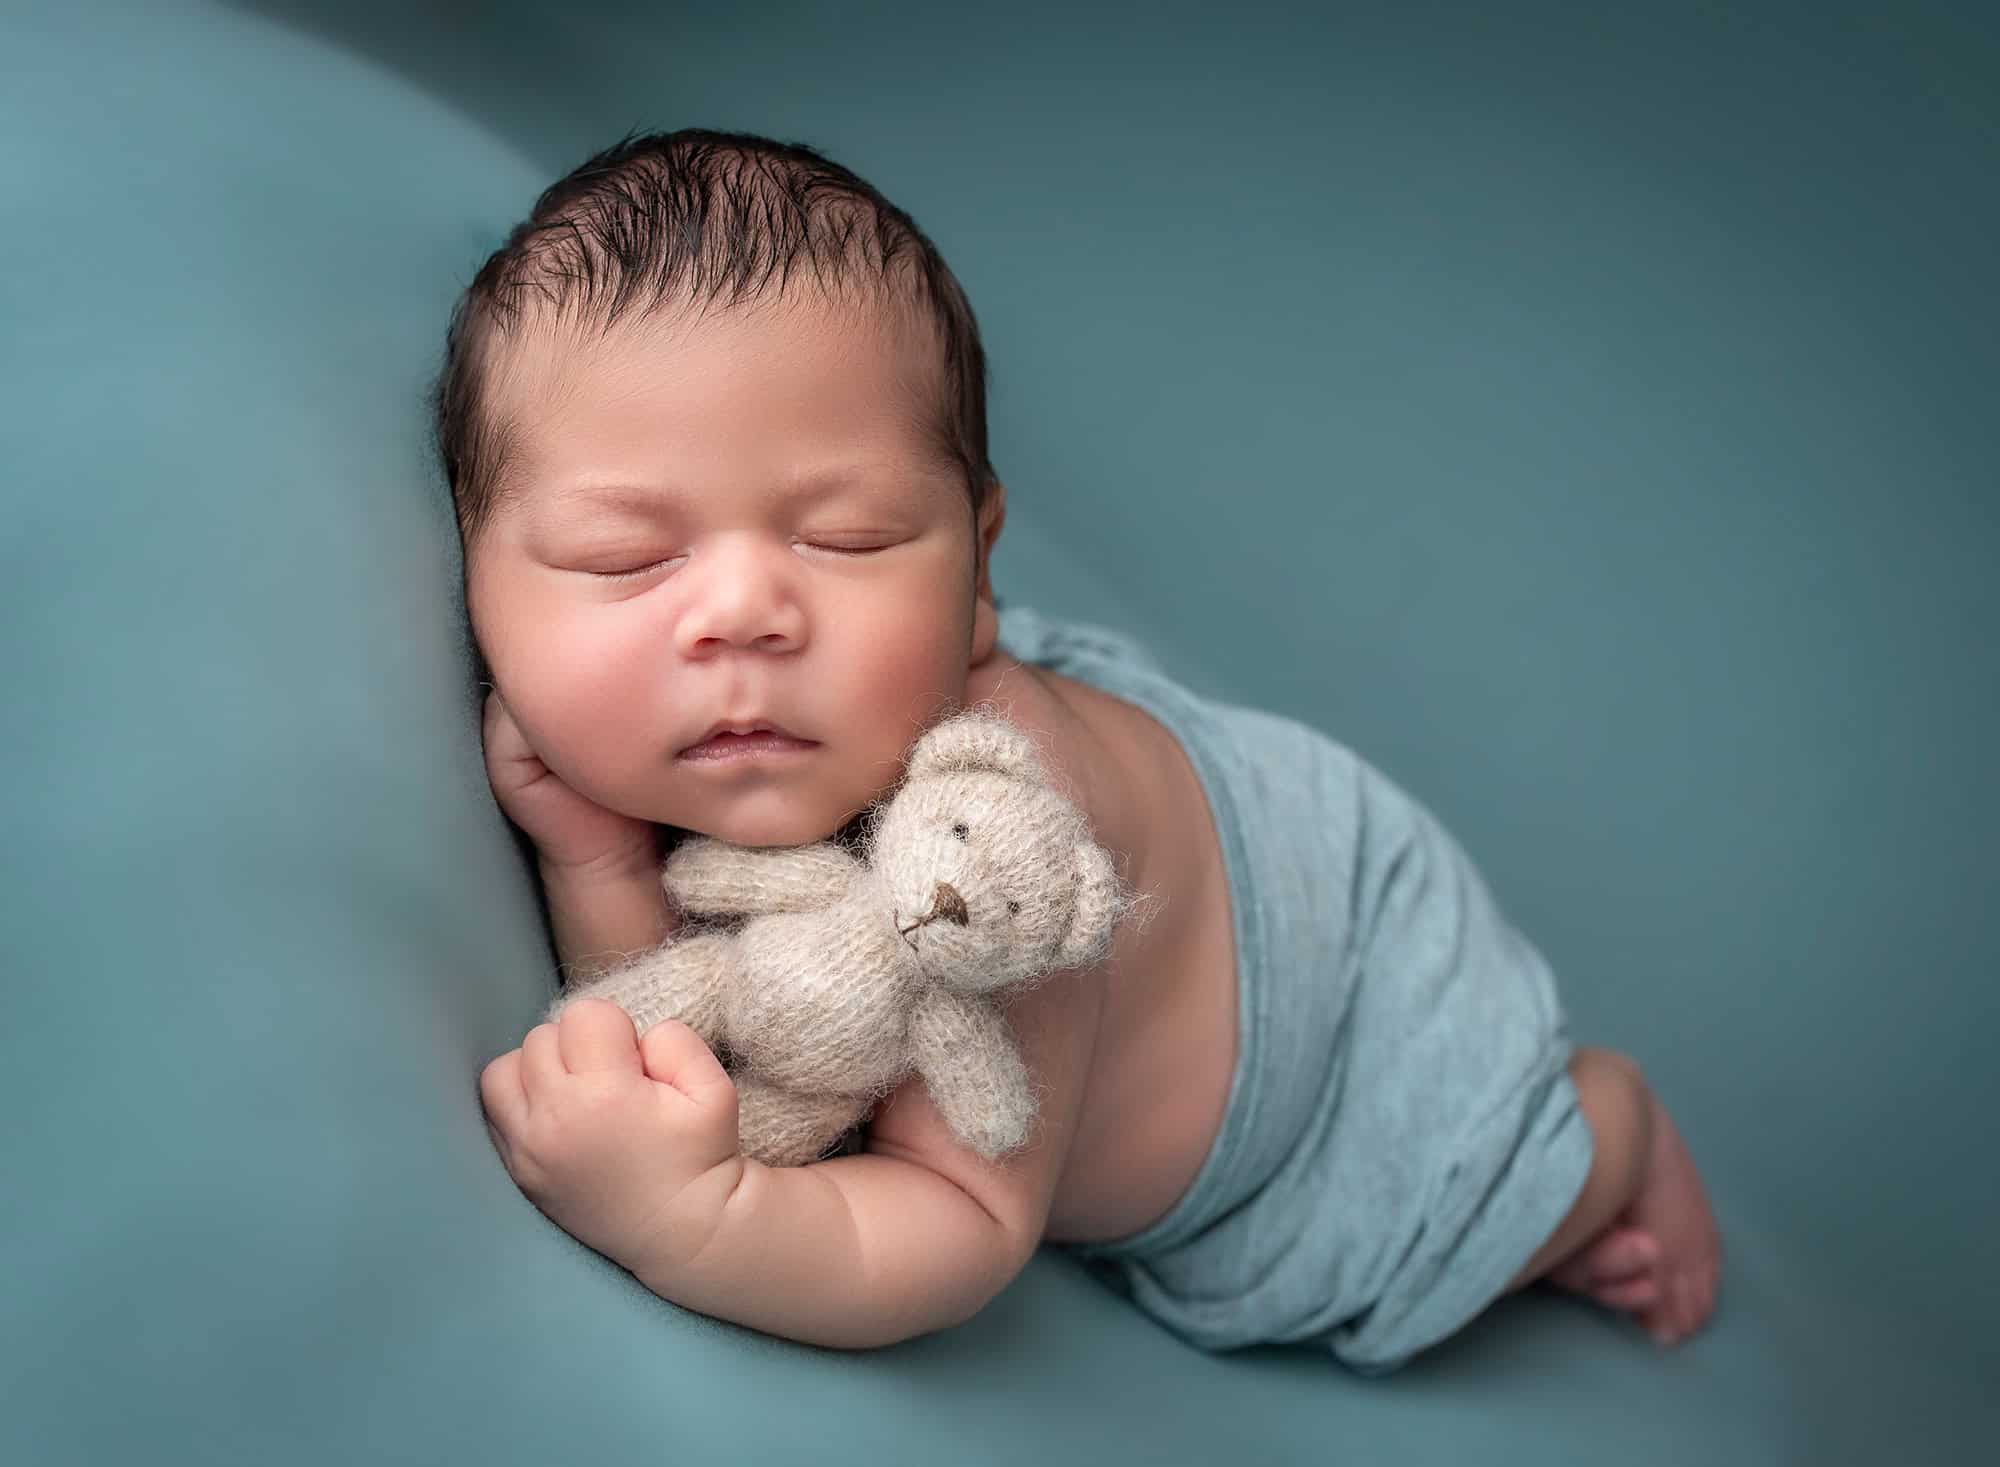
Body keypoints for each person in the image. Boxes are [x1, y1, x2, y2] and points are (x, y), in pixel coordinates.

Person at [451, 128, 1721, 1370]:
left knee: (1426, 1247)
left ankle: (1606, 1134)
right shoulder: (765, 737)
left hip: (1328, 1038)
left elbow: (960, 1223)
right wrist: (599, 863)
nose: (742, 614)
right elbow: (715, 1020)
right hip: (1224, 824)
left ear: (978, 563)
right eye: (624, 558)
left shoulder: (1005, 854)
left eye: (845, 537)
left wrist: (694, 1217)